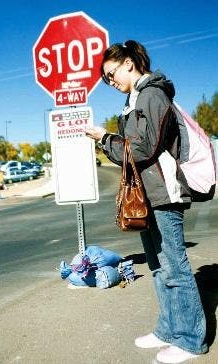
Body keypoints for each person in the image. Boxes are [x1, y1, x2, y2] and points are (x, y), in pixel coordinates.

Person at [85, 40, 208, 364]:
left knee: (174, 266)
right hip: (147, 193)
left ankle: (191, 339)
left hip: (165, 193)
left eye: (111, 73)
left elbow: (141, 148)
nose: (110, 81)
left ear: (129, 62)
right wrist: (113, 140)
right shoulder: (134, 98)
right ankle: (168, 330)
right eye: (106, 78)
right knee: (157, 266)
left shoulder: (152, 94)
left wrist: (104, 139)